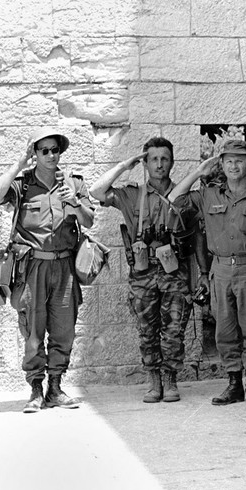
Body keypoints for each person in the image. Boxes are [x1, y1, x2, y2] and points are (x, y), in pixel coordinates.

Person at [90, 137, 208, 403]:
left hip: (174, 272)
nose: (159, 164)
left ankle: (170, 379)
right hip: (143, 273)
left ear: (172, 162)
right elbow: (96, 192)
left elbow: (198, 236)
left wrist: (203, 272)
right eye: (153, 159)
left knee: (175, 327)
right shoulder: (132, 195)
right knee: (146, 329)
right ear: (145, 163)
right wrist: (123, 165)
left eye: (164, 158)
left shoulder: (185, 195)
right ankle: (153, 379)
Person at [0, 127, 95, 413]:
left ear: (60, 152)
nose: (50, 155)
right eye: (43, 150)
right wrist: (19, 165)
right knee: (32, 330)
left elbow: (90, 220)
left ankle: (55, 388)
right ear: (35, 154)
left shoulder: (74, 184)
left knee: (64, 330)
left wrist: (74, 204)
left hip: (64, 267)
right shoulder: (23, 186)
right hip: (32, 268)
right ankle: (35, 388)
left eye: (54, 150)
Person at [168, 140, 246, 407]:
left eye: (239, 160)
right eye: (228, 160)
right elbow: (175, 198)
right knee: (225, 330)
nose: (234, 165)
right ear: (221, 164)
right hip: (220, 270)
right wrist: (198, 172)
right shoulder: (208, 194)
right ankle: (233, 384)